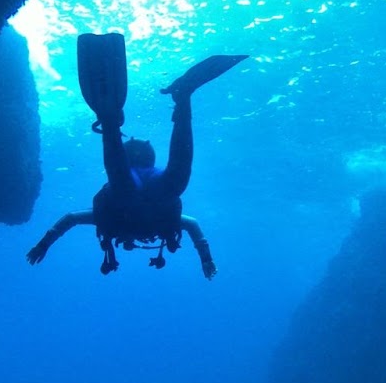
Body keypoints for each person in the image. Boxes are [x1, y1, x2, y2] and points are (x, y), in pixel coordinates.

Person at [27, 32, 247, 279]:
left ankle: (167, 104)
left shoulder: (128, 206)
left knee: (172, 179)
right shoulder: (151, 209)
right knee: (154, 181)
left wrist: (43, 244)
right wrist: (206, 259)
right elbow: (193, 225)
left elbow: (71, 219)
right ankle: (136, 114)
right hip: (149, 190)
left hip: (146, 190)